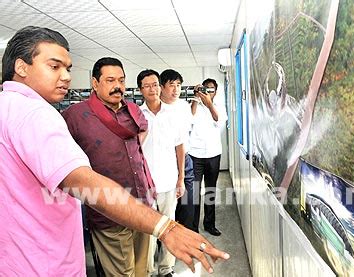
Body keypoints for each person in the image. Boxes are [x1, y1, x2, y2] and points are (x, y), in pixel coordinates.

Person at [0, 26, 229, 276]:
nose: (65, 76)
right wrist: (167, 228)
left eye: (68, 68)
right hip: (53, 254)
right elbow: (82, 182)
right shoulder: (47, 115)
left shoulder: (132, 113)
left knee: (140, 269)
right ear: (22, 67)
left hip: (137, 204)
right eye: (54, 67)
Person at [62, 57, 154, 276]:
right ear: (95, 83)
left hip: (143, 204)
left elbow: (142, 130)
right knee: (122, 273)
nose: (118, 86)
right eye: (110, 80)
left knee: (143, 270)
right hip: (109, 211)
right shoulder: (75, 116)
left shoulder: (133, 110)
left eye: (121, 80)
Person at [138, 69, 185, 277]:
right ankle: (147, 270)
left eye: (155, 84)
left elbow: (180, 148)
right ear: (140, 90)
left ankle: (166, 268)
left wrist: (181, 178)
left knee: (168, 228)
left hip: (168, 181)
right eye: (147, 85)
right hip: (144, 184)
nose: (152, 88)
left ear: (160, 86)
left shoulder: (173, 114)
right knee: (147, 230)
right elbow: (132, 149)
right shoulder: (136, 115)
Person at [189, 78, 228, 236]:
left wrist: (209, 104)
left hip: (213, 154)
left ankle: (209, 224)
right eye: (205, 89)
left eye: (211, 89)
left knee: (210, 190)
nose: (208, 92)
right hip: (195, 155)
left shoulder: (219, 107)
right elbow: (188, 121)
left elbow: (219, 120)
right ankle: (193, 227)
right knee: (194, 193)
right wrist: (195, 100)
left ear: (215, 92)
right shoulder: (194, 105)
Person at [159, 69, 195, 231]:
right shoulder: (156, 108)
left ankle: (187, 235)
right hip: (164, 161)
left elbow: (187, 132)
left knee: (188, 201)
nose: (176, 90)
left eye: (179, 85)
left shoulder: (183, 106)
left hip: (185, 159)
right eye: (171, 85)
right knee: (165, 205)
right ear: (161, 87)